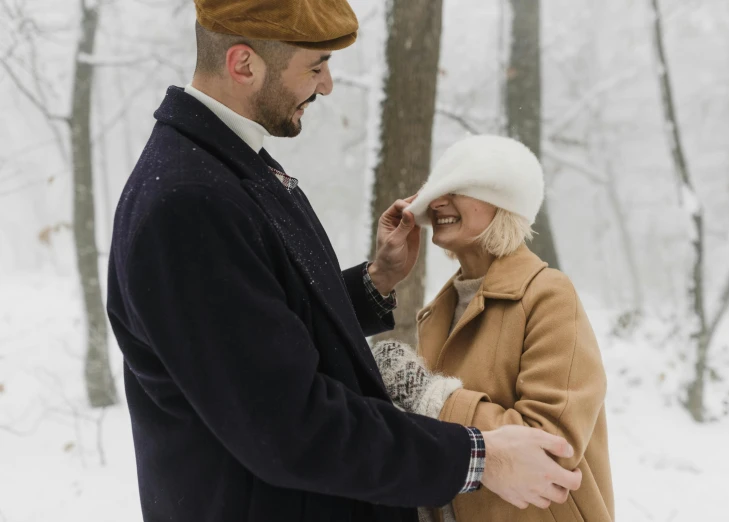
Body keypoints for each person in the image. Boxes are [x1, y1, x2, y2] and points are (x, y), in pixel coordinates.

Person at [106, 2, 582, 520]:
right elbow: (290, 425)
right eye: (315, 67)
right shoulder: (189, 203)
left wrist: (374, 281)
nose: (328, 86)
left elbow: (264, 329)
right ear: (244, 64)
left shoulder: (232, 168)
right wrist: (476, 457)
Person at [373, 135, 614, 521]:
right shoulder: (438, 310)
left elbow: (549, 449)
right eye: (436, 191)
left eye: (459, 189)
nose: (437, 201)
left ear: (505, 201)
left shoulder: (549, 295)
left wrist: (428, 394)